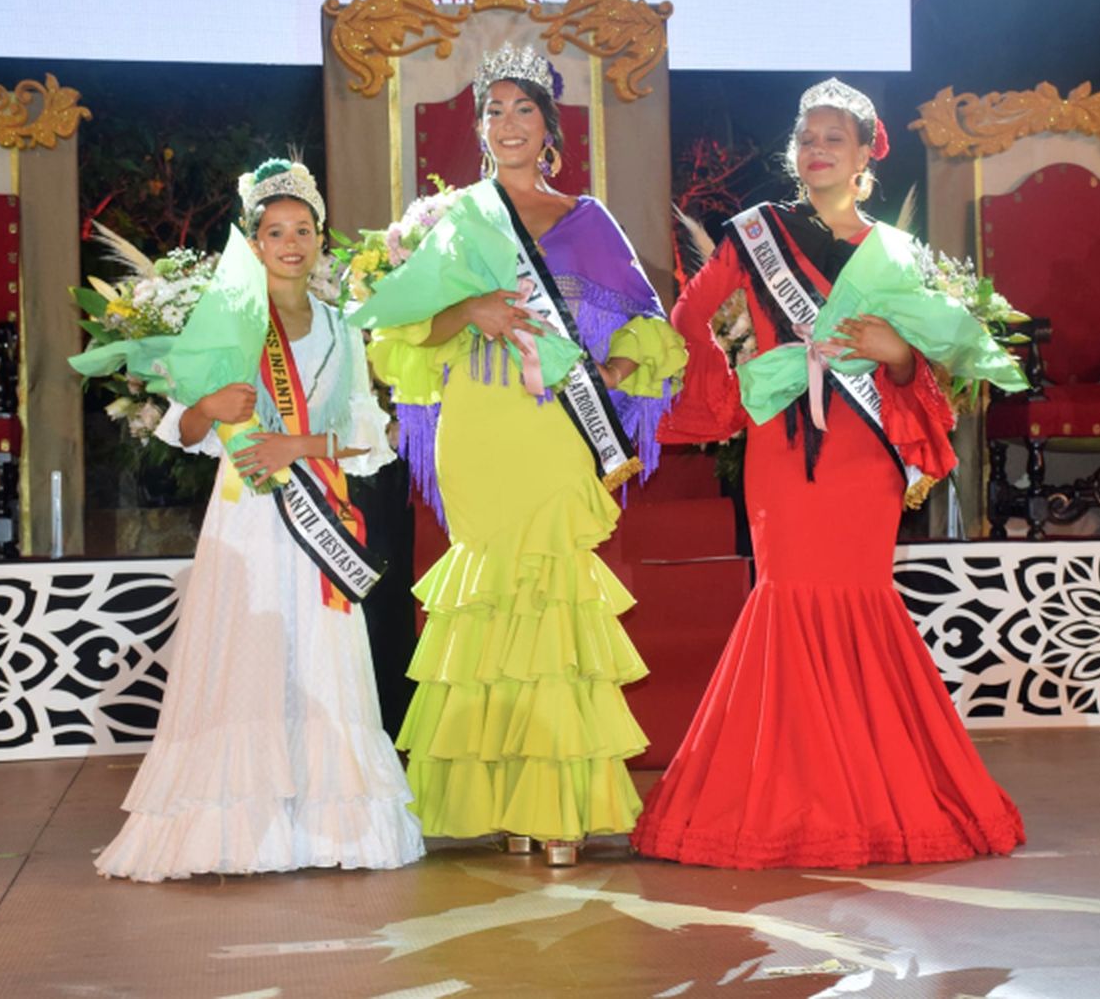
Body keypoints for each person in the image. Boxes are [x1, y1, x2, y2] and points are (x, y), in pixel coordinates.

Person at [630, 80, 1026, 870]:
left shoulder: (898, 253)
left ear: (864, 154)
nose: (816, 149)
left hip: (862, 455)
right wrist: (736, 383)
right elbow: (688, 319)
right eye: (807, 137)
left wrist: (901, 354)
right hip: (785, 448)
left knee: (859, 602)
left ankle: (871, 797)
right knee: (788, 601)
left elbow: (932, 373)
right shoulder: (757, 233)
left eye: (834, 138)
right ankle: (786, 798)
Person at [356, 45, 686, 865]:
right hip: (478, 418)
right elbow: (402, 329)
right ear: (479, 130)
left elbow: (652, 326)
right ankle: (506, 804)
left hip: (556, 427)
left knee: (551, 598)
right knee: (490, 605)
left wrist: (606, 371)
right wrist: (470, 306)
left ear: (550, 128)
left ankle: (558, 808)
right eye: (492, 111)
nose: (507, 124)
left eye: (523, 110)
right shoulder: (457, 218)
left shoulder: (587, 219)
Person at [95, 159, 425, 881]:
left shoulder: (342, 330)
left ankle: (325, 824)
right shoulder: (231, 320)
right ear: (254, 241)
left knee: (318, 657)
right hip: (247, 517)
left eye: (303, 229)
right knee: (245, 654)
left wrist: (297, 445)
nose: (290, 242)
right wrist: (209, 410)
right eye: (275, 231)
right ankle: (240, 829)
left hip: (321, 519)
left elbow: (370, 438)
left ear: (320, 239)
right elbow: (181, 429)